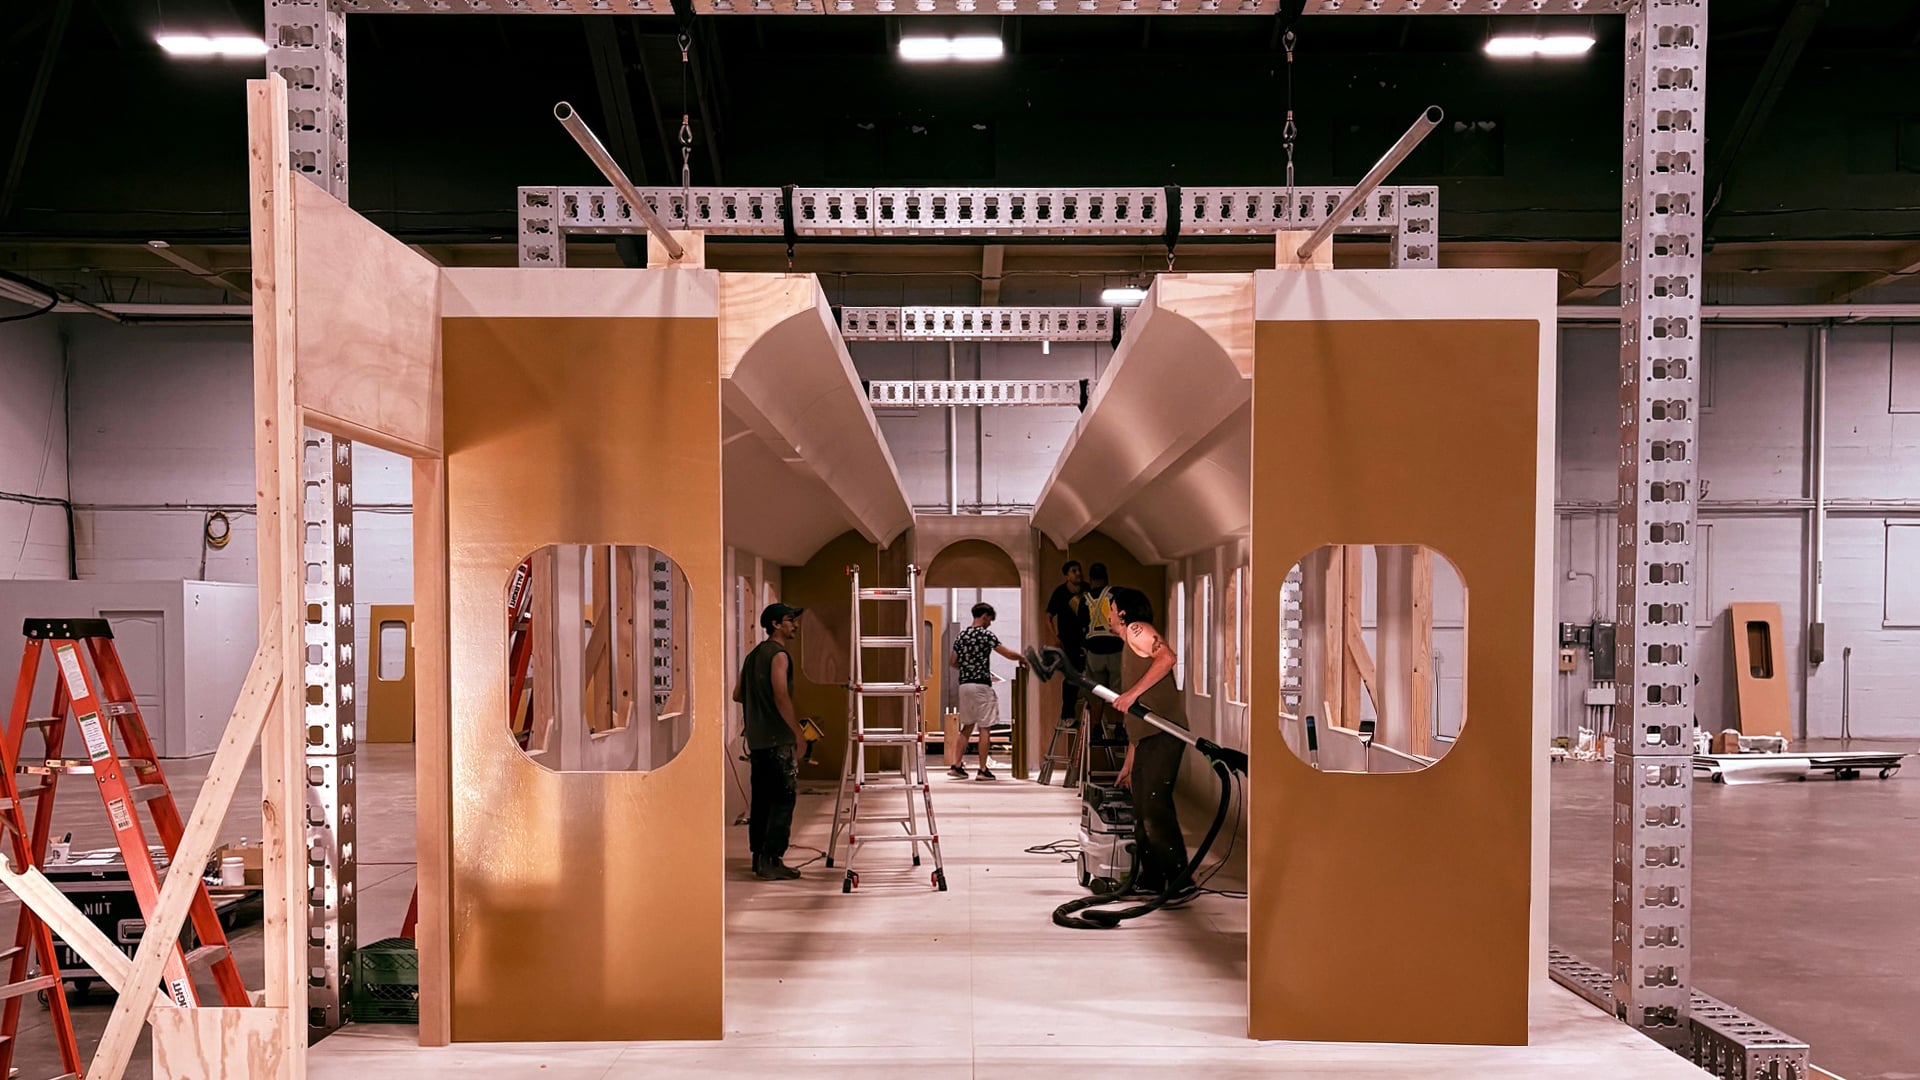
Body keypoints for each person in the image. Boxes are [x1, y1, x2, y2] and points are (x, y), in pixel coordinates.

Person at [1105, 586, 1192, 896]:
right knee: (1141, 811)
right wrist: (1130, 763)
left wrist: (1130, 694)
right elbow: (1138, 717)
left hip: (1165, 732)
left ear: (1124, 612)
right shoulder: (1128, 645)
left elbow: (1167, 658)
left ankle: (1180, 881)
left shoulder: (1135, 630)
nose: (1109, 613)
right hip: (1148, 737)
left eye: (1112, 607)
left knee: (1155, 807)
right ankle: (1152, 878)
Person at [735, 602, 806, 880]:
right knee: (782, 800)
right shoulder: (779, 655)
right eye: (789, 620)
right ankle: (773, 860)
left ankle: (758, 857)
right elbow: (780, 695)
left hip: (757, 740)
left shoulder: (752, 656)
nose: (794, 625)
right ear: (776, 624)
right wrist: (797, 734)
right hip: (778, 740)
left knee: (761, 800)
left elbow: (738, 694)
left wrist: (757, 704)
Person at [948, 601, 1024, 781]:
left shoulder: (961, 636)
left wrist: (968, 668)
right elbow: (1006, 653)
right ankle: (982, 769)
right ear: (984, 616)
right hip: (981, 685)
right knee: (985, 728)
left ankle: (956, 766)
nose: (990, 623)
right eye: (990, 619)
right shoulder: (985, 635)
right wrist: (1022, 658)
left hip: (964, 685)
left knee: (966, 727)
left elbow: (952, 662)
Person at [1044, 560, 1089, 724]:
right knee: (1071, 676)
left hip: (1086, 639)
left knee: (1089, 674)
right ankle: (1067, 714)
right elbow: (1048, 616)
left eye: (1079, 570)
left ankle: (1092, 710)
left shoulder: (1087, 589)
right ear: (1067, 575)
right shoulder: (1060, 592)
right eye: (1074, 571)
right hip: (1067, 641)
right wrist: (1054, 637)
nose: (1078, 573)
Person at [1080, 563, 1125, 724]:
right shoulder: (1116, 594)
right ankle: (1120, 727)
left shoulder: (1085, 599)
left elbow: (1081, 625)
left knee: (1096, 692)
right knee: (1118, 692)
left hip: (1094, 651)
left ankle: (1096, 727)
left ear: (1090, 579)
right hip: (1115, 648)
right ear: (1106, 577)